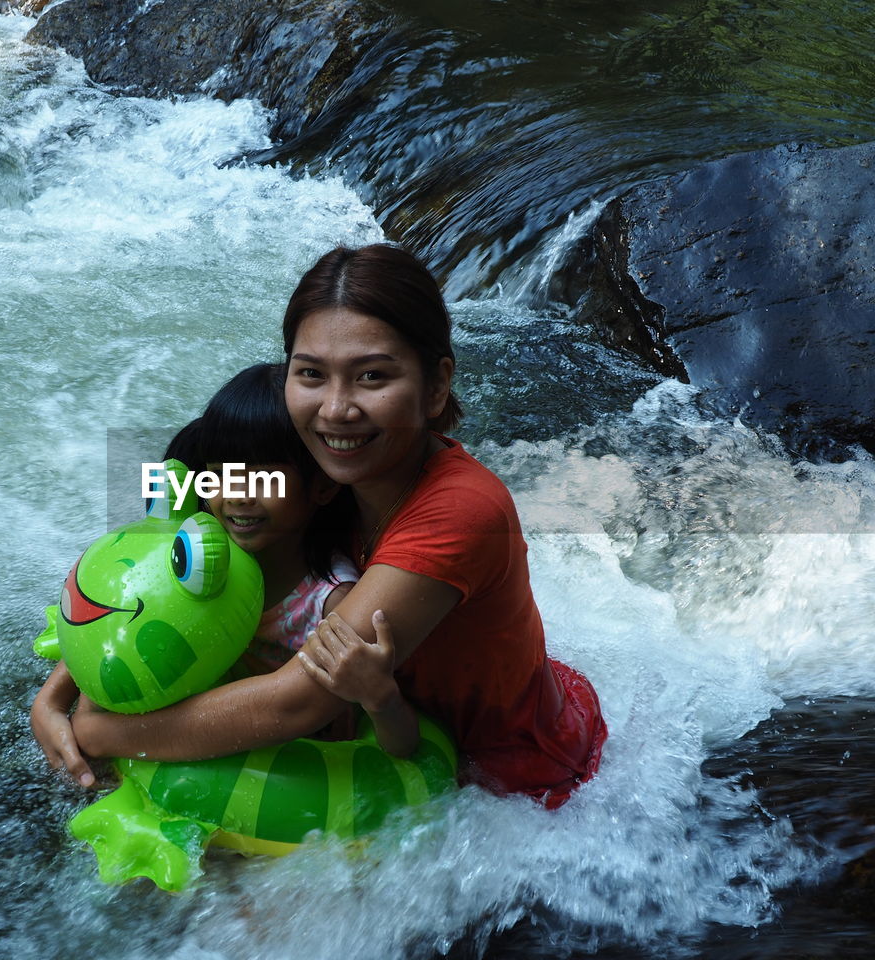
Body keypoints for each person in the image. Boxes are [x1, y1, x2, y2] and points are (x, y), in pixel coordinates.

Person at [33, 244, 606, 808]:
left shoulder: (459, 510)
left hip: (508, 781)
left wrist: (100, 731)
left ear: (435, 386)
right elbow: (166, 547)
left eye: (372, 377)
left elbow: (298, 701)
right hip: (387, 725)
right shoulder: (306, 466)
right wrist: (61, 687)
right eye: (311, 373)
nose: (335, 409)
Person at [31, 363, 420, 780]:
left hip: (285, 773)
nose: (237, 495)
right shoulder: (202, 547)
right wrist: (51, 700)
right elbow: (117, 618)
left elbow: (400, 749)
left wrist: (384, 701)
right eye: (219, 476)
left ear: (322, 486)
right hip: (184, 736)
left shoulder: (330, 602)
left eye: (263, 478)